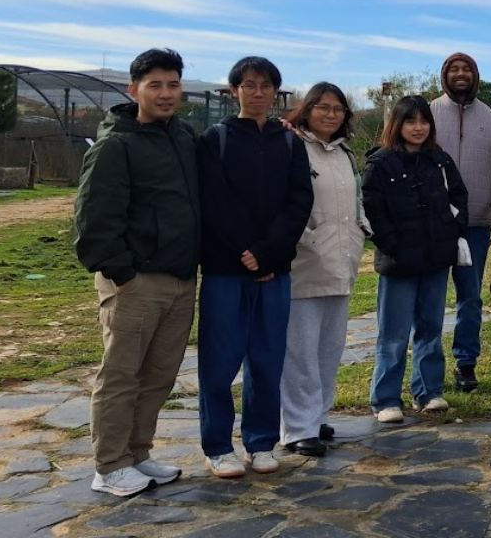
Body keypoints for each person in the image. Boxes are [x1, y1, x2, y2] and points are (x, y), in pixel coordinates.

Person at [75, 48, 200, 496]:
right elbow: (94, 219)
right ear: (134, 90)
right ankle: (109, 466)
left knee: (159, 376)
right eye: (155, 85)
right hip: (135, 283)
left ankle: (138, 455)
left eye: (173, 84)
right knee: (121, 375)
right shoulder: (116, 144)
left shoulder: (183, 137)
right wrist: (122, 273)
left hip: (181, 280)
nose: (166, 94)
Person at [197, 56, 313, 478]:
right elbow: (215, 202)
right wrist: (247, 252)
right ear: (234, 91)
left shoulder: (290, 142)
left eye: (266, 85)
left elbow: (300, 200)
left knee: (267, 358)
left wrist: (270, 252)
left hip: (274, 269)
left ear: (276, 92)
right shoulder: (215, 139)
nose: (258, 92)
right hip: (226, 269)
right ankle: (217, 446)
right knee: (221, 360)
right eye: (249, 85)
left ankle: (260, 441)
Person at [362, 95, 468, 424]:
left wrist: (452, 231)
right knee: (393, 334)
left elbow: (459, 197)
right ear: (397, 124)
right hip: (398, 263)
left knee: (430, 328)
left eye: (424, 121)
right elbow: (372, 212)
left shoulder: (439, 160)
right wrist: (394, 246)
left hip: (436, 259)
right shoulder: (380, 164)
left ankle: (428, 391)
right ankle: (386, 399)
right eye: (411, 121)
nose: (418, 127)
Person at [279, 82, 368, 457]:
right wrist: (305, 237)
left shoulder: (345, 153)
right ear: (307, 109)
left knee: (330, 347)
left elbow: (355, 199)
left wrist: (362, 229)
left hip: (341, 261)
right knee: (299, 349)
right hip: (306, 262)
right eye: (323, 107)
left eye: (338, 109)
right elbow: (284, 199)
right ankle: (297, 427)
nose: (331, 114)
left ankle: (317, 416)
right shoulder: (292, 146)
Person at [429, 52, 491, 393]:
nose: (460, 74)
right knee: (430, 298)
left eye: (467, 69)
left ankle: (466, 362)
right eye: (454, 69)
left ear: (475, 75)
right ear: (444, 75)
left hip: (476, 222)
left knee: (470, 298)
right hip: (431, 223)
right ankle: (428, 367)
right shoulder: (427, 113)